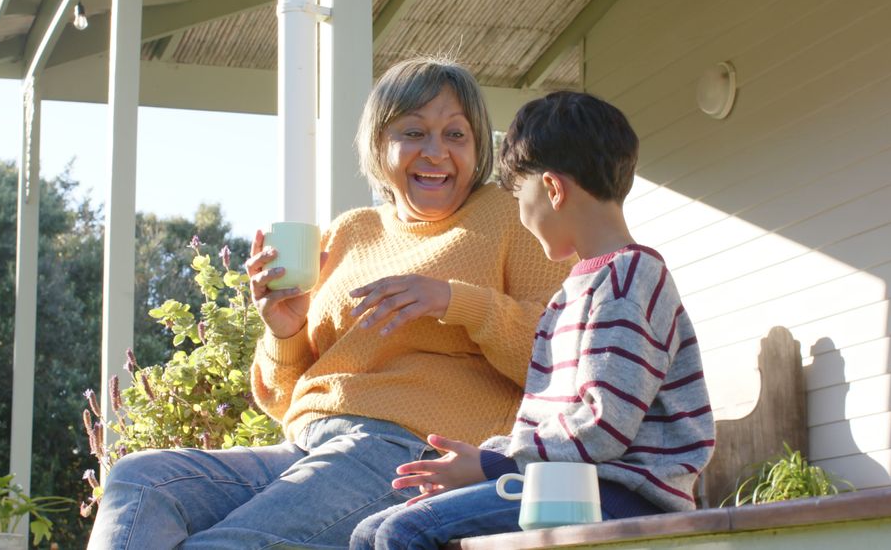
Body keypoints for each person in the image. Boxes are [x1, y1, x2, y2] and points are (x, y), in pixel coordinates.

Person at [86, 57, 572, 549]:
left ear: (476, 147)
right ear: (380, 146)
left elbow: (561, 356)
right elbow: (282, 397)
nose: (435, 152)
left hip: (409, 451)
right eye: (414, 132)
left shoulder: (510, 216)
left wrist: (455, 300)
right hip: (307, 443)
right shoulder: (350, 231)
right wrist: (285, 331)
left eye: (455, 135)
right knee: (140, 480)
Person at [350, 91, 716, 549]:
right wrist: (490, 457)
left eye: (520, 198)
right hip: (562, 485)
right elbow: (545, 426)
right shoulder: (568, 296)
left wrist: (491, 467)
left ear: (553, 189)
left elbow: (603, 426)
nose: (521, 217)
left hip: (621, 494)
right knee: (369, 532)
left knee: (406, 532)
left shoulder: (629, 278)